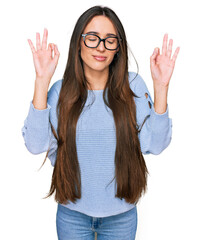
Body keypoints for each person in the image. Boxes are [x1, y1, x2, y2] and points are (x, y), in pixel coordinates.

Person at [21, 5, 180, 240]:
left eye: (110, 40)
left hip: (122, 217)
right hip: (72, 216)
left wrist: (161, 87)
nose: (101, 47)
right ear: (78, 42)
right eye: (92, 38)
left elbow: (155, 145)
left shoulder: (133, 86)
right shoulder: (59, 92)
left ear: (118, 47)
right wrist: (42, 81)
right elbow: (35, 145)